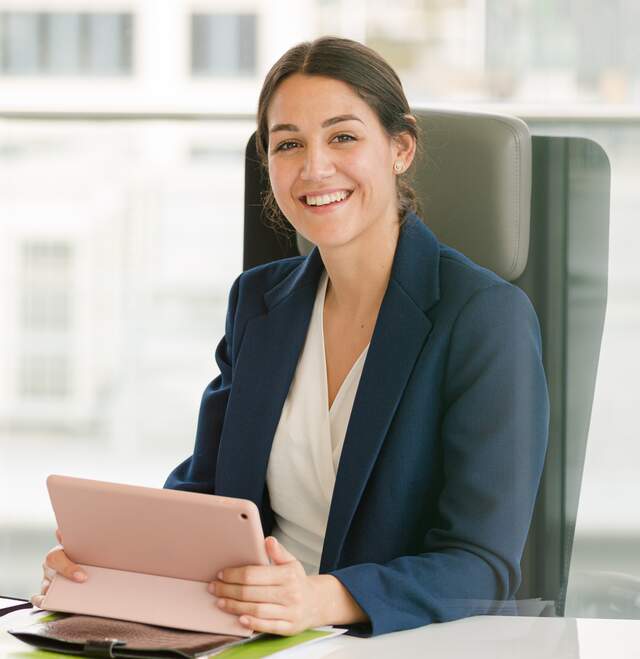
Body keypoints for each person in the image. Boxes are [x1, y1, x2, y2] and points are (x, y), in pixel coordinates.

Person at [33, 36, 549, 638]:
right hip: (249, 634)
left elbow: (480, 565)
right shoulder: (259, 303)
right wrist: (111, 563)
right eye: (288, 145)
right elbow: (208, 492)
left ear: (400, 148)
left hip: (387, 640)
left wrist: (319, 600)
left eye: (343, 137)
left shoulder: (485, 317)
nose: (315, 168)